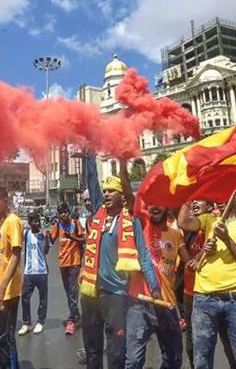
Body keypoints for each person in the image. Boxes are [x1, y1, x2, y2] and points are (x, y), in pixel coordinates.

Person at [79, 155, 160, 369]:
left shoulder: (131, 220)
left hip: (116, 295)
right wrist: (89, 152)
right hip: (90, 291)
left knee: (116, 351)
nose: (105, 194)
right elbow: (91, 178)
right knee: (92, 349)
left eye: (110, 190)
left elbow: (143, 256)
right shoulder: (97, 213)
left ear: (121, 195)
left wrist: (154, 287)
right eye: (104, 190)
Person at [189, 197, 236, 369]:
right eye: (218, 194)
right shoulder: (208, 220)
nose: (221, 198)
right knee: (201, 360)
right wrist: (189, 192)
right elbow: (183, 221)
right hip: (204, 299)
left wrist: (227, 239)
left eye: (226, 192)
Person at [125, 205, 188, 369]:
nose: (155, 207)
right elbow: (131, 199)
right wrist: (124, 177)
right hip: (139, 303)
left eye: (160, 202)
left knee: (173, 358)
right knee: (133, 361)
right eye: (151, 203)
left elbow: (190, 263)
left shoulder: (176, 234)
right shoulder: (142, 224)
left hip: (167, 305)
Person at [177, 201, 236, 369]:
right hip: (190, 292)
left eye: (200, 200)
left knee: (228, 338)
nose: (195, 203)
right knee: (193, 339)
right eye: (193, 201)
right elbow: (184, 257)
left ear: (210, 209)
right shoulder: (183, 229)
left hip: (217, 291)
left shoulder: (217, 226)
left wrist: (203, 254)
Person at [0, 187, 24, 369]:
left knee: (7, 337)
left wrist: (2, 288)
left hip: (8, 291)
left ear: (5, 200)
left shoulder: (13, 221)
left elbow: (16, 254)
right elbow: (4, 255)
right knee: (1, 336)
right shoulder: (2, 224)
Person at [49, 202, 85, 335]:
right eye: (60, 213)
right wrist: (46, 236)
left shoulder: (75, 224)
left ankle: (72, 320)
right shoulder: (58, 226)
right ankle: (76, 314)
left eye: (65, 212)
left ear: (68, 212)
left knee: (73, 292)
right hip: (63, 263)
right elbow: (51, 241)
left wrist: (72, 237)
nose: (63, 215)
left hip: (74, 263)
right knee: (68, 291)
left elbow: (83, 240)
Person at [18, 211, 50, 335]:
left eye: (38, 221)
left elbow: (46, 251)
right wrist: (23, 268)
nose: (37, 223)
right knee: (25, 298)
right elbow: (23, 251)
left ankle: (40, 322)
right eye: (34, 221)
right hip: (29, 272)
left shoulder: (42, 235)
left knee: (43, 298)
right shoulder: (26, 234)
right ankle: (26, 323)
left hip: (42, 272)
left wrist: (46, 238)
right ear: (30, 223)